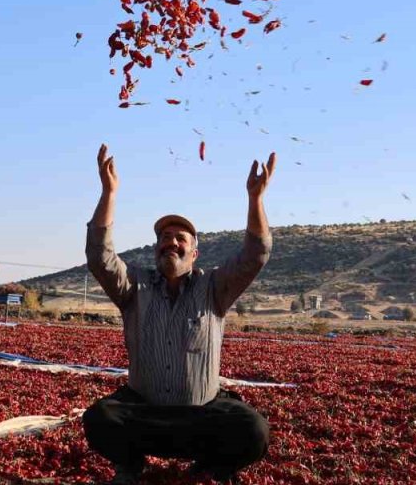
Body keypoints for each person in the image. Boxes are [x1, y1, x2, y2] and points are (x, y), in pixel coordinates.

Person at [83, 143, 276, 484]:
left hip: (202, 415)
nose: (171, 242)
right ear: (156, 248)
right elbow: (99, 256)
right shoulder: (134, 288)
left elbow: (255, 254)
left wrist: (255, 200)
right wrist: (109, 192)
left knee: (253, 429)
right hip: (145, 412)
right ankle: (131, 464)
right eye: (165, 237)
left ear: (195, 252)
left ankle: (212, 465)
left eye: (180, 238)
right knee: (100, 418)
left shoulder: (214, 289)